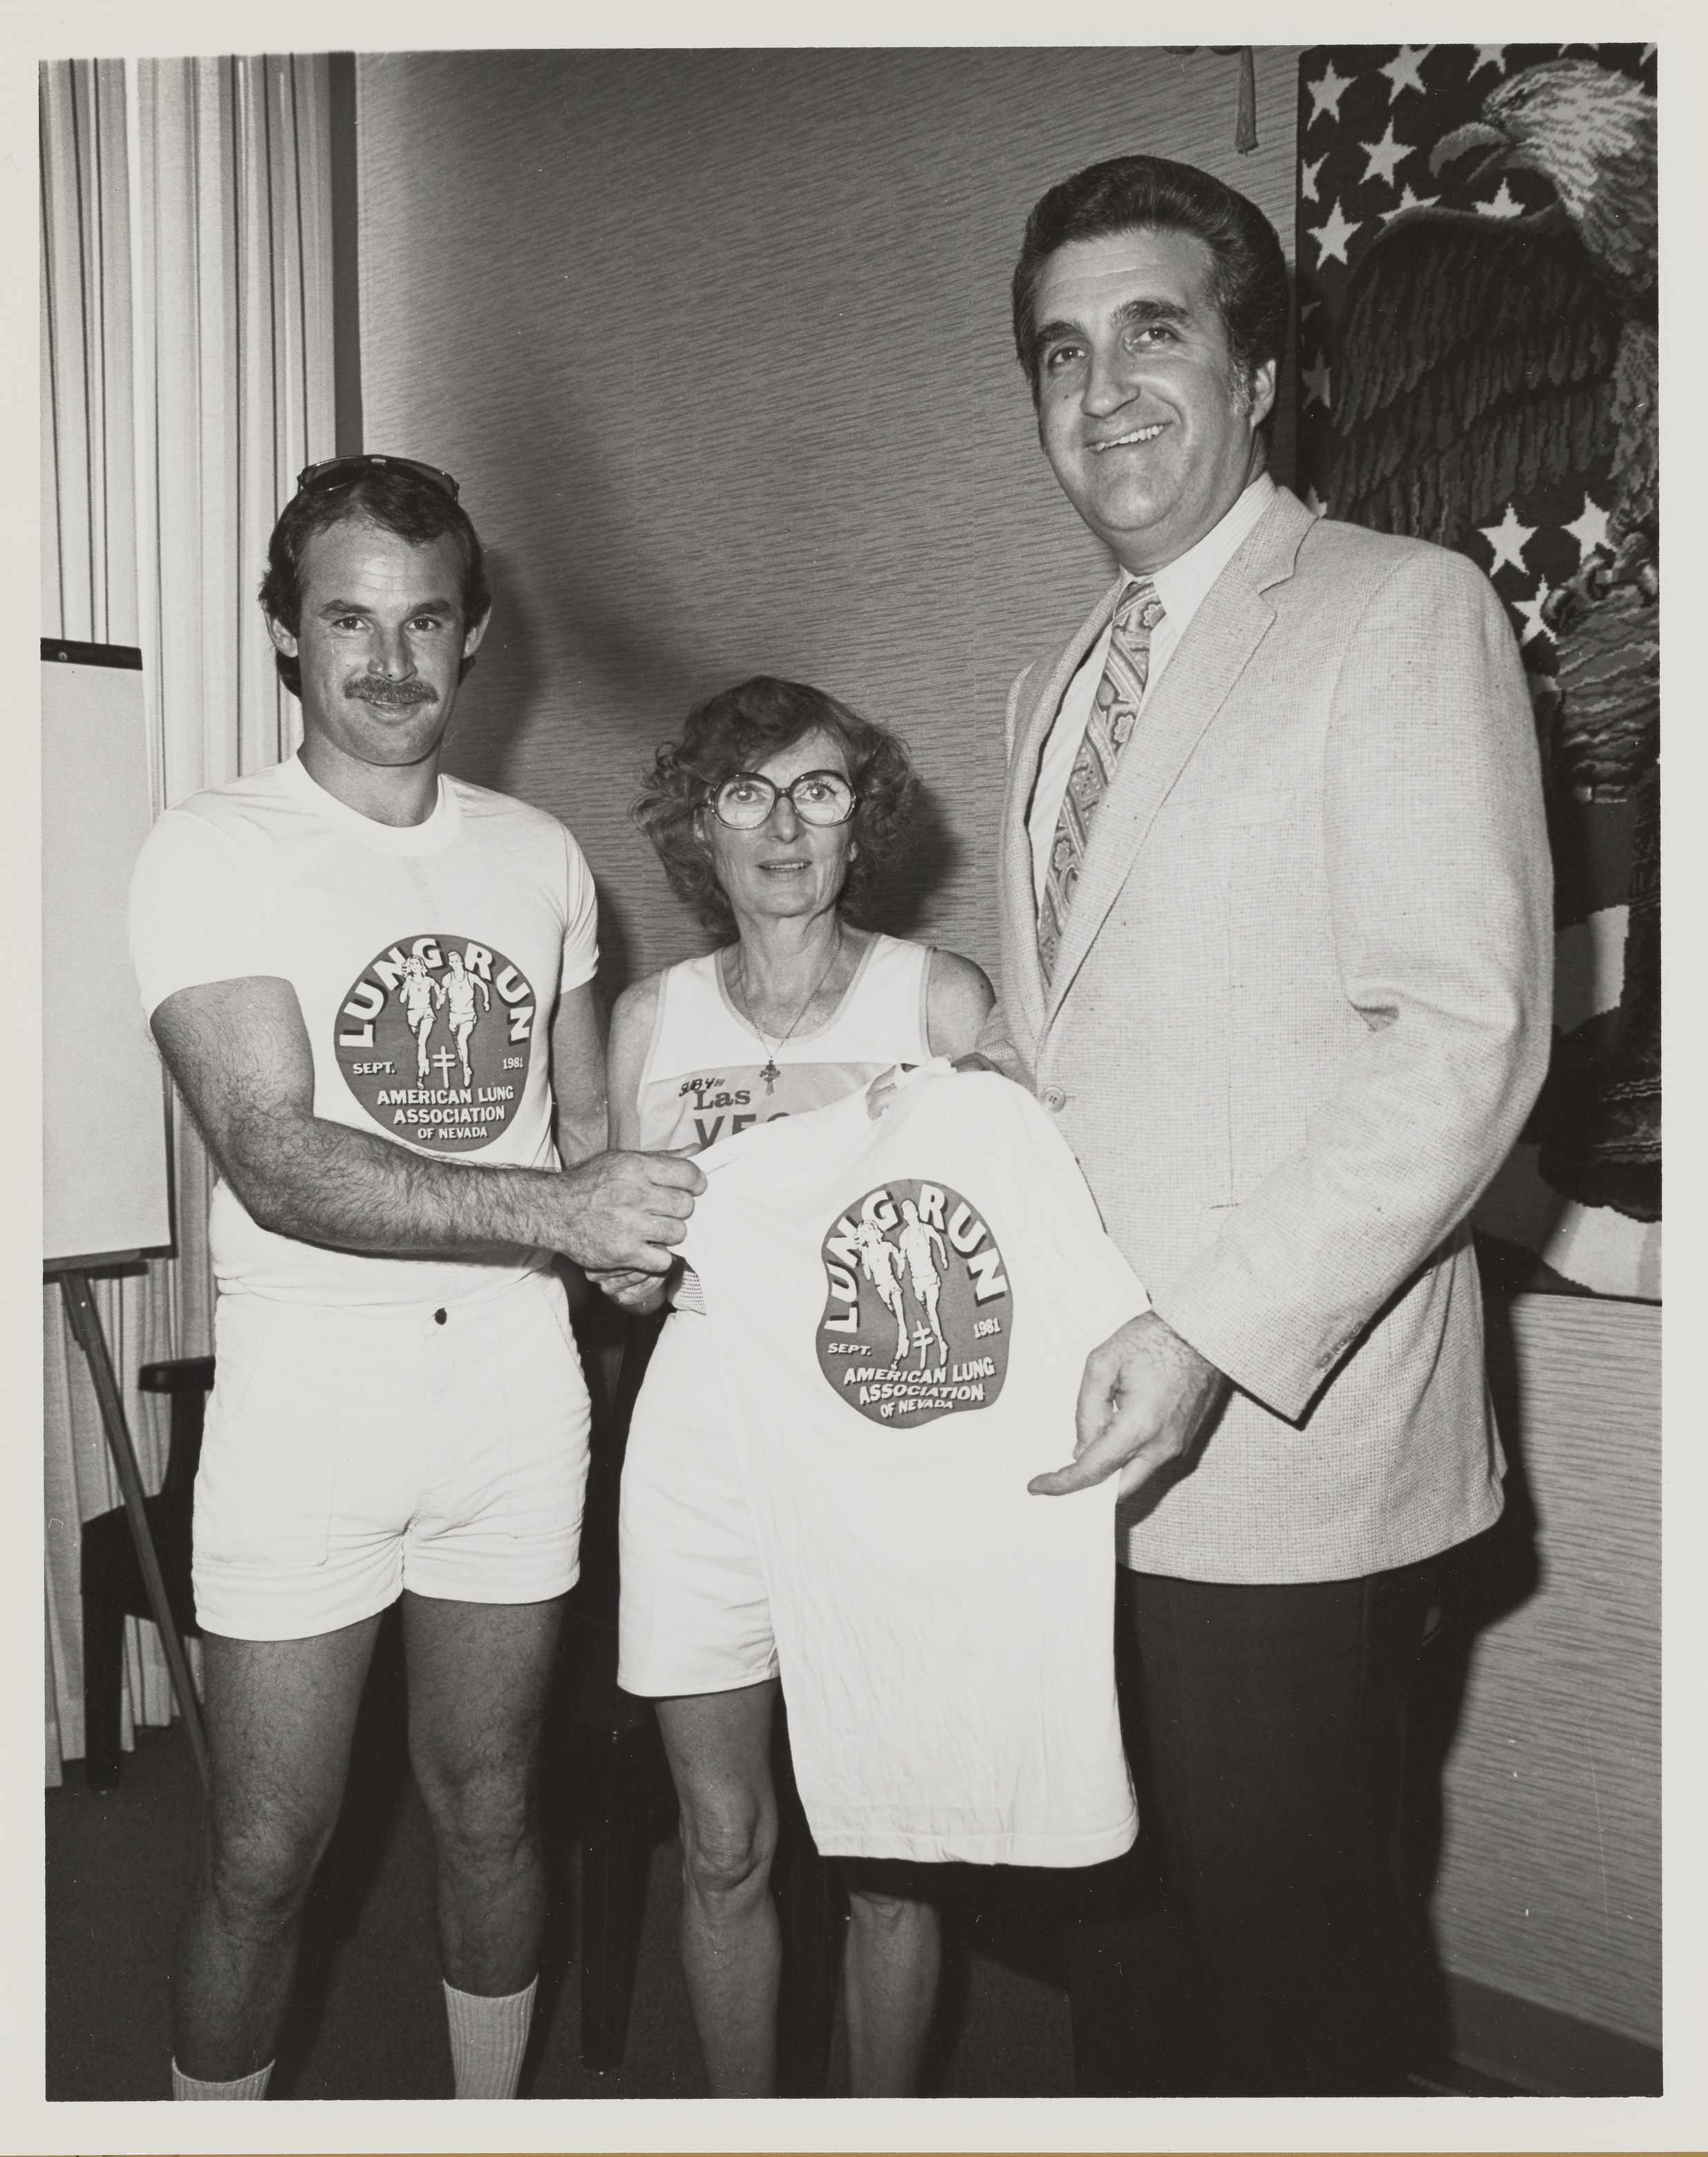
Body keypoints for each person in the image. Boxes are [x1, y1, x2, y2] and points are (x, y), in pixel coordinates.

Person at [975, 156, 1554, 2094]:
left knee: (1301, 1983)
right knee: (1121, 1940)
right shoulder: (1049, 681)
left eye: (1155, 332)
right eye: (1062, 352)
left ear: (1257, 373)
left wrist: (1213, 1332)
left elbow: (1463, 1040)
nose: (1104, 390)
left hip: (1291, 1445)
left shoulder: (1403, 612)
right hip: (1081, 1442)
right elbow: (1097, 1056)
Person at [126, 454, 704, 2101]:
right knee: (264, 1858)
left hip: (515, 1396)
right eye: (348, 622)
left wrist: (642, 1251)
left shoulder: (539, 857)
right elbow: (277, 1156)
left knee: (493, 1804)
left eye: (424, 622)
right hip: (314, 1395)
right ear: (287, 640)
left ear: (475, 638)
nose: (389, 663)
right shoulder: (214, 846)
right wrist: (569, 1215)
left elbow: (584, 1121)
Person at [596, 675, 994, 2095]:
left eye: (819, 790)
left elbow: (1008, 1245)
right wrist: (621, 1267)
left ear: (861, 821)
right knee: (725, 1842)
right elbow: (616, 1253)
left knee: (888, 1860)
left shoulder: (937, 1001)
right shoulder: (648, 1022)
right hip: (703, 1441)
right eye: (746, 792)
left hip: (885, 1444)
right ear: (700, 828)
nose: (782, 823)